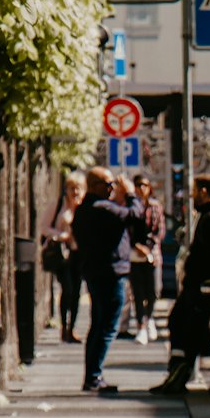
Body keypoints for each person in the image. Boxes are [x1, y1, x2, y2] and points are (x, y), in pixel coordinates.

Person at [151, 174, 210, 394]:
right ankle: (177, 374)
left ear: (204, 191)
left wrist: (205, 284)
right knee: (181, 325)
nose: (191, 196)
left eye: (194, 191)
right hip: (198, 287)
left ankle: (179, 376)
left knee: (185, 329)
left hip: (201, 289)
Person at [72, 169, 146, 394]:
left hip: (96, 272)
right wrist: (132, 194)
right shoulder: (101, 208)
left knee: (98, 324)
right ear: (94, 185)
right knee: (107, 325)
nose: (112, 188)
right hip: (110, 272)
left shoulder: (84, 210)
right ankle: (94, 376)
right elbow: (134, 214)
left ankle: (93, 375)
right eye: (108, 184)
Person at [40, 172, 85, 342]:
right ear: (65, 189)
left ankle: (71, 328)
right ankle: (63, 327)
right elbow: (44, 227)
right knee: (67, 288)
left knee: (77, 292)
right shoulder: (58, 205)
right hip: (62, 253)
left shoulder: (83, 207)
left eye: (78, 188)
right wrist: (61, 235)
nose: (74, 192)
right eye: (71, 188)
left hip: (78, 253)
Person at [128, 173, 165, 346]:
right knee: (138, 293)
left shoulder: (155, 206)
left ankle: (149, 318)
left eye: (144, 185)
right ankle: (141, 327)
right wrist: (137, 246)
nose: (141, 188)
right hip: (134, 255)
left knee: (154, 291)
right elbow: (127, 230)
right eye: (138, 185)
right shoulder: (130, 206)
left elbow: (159, 231)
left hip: (152, 255)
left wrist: (148, 247)